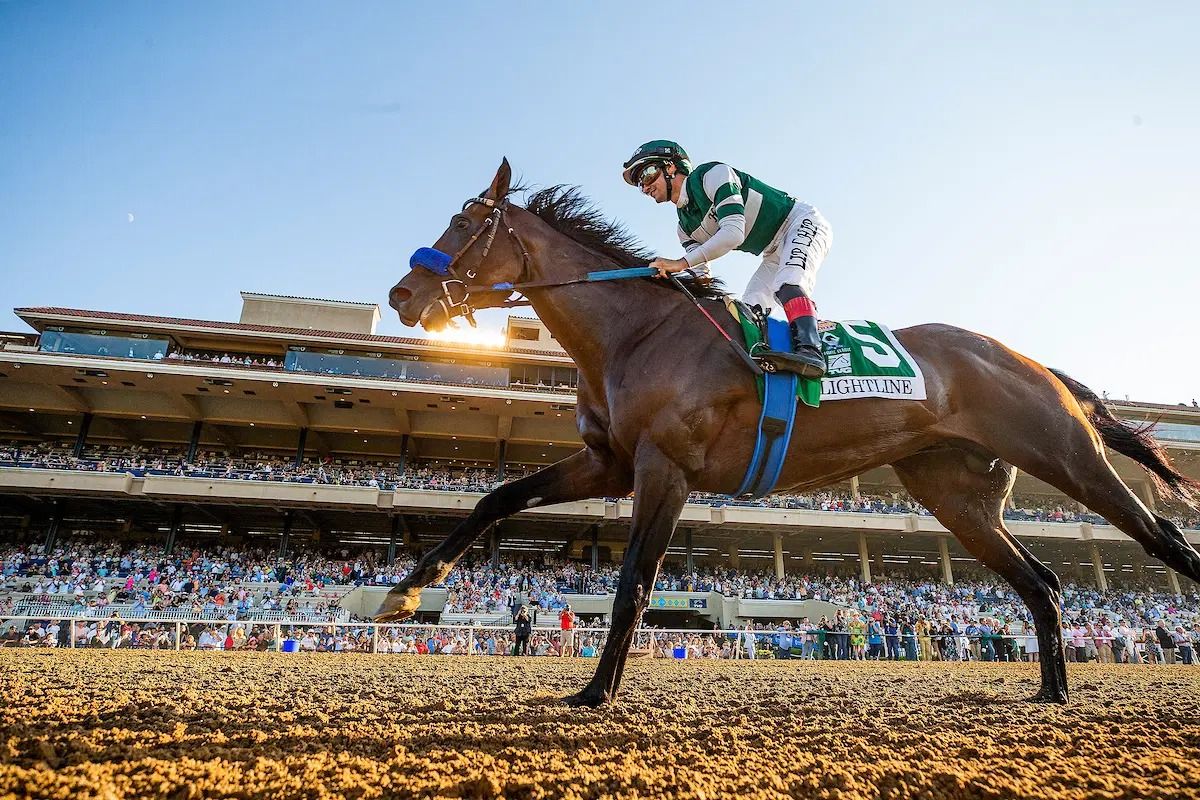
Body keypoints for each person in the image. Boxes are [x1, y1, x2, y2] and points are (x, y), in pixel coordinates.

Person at [622, 140, 833, 378]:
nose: (645, 186)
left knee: (788, 284)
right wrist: (669, 278)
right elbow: (702, 275)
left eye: (648, 175)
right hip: (771, 250)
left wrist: (680, 263)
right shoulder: (684, 228)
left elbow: (733, 232)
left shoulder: (712, 175)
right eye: (640, 183)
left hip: (799, 222)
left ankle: (811, 351)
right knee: (748, 311)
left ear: (671, 167)